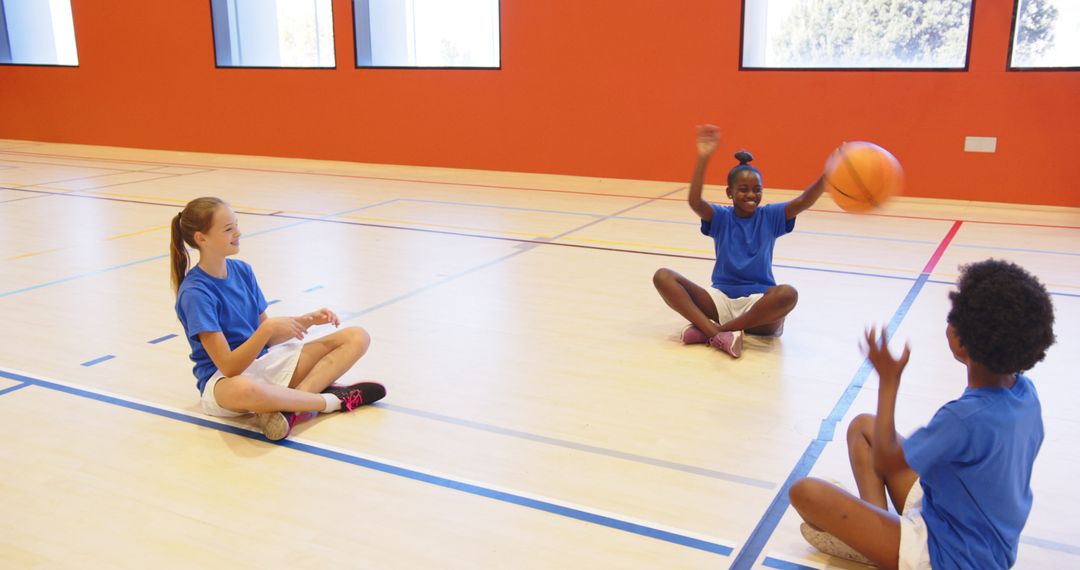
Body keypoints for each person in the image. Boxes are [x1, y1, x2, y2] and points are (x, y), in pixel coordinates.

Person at [789, 259, 1056, 569]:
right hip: (982, 541)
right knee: (864, 428)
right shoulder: (1026, 393)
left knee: (805, 492)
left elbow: (886, 460)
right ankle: (876, 536)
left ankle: (871, 546)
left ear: (961, 340)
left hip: (949, 556)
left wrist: (889, 381)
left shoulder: (964, 418)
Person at [170, 197, 385, 441]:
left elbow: (267, 339)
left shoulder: (242, 270)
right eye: (228, 229)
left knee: (357, 336)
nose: (238, 233)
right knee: (247, 389)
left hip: (265, 364)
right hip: (224, 382)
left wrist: (306, 320)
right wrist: (267, 329)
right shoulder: (195, 293)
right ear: (201, 238)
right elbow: (229, 367)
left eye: (236, 225)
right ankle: (330, 401)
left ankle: (286, 409)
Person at [653, 124, 826, 357]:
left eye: (757, 189)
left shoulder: (770, 215)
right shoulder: (721, 217)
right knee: (663, 277)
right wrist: (703, 158)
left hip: (757, 306)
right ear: (729, 193)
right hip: (721, 300)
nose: (751, 195)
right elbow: (695, 202)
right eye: (743, 189)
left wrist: (829, 175)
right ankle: (720, 332)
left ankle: (713, 331)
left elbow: (805, 199)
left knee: (787, 294)